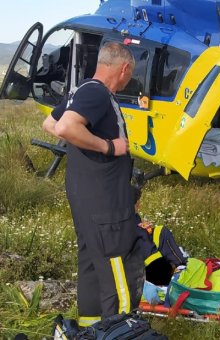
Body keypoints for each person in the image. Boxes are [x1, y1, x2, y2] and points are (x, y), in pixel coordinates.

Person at [42, 42, 144, 328]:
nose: (128, 80)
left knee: (91, 265)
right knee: (117, 270)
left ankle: (90, 330)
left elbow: (49, 123)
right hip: (105, 203)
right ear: (124, 68)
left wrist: (87, 147)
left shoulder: (81, 90)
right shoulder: (98, 94)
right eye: (129, 74)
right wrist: (108, 147)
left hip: (85, 198)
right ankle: (121, 331)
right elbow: (63, 128)